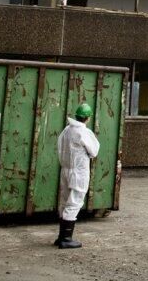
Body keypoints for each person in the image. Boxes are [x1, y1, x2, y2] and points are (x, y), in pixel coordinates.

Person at [55, 102, 99, 249]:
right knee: (74, 202)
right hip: (79, 172)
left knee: (64, 201)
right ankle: (66, 239)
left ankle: (60, 237)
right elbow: (94, 151)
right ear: (88, 117)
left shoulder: (67, 130)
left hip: (65, 169)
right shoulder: (84, 132)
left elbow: (59, 147)